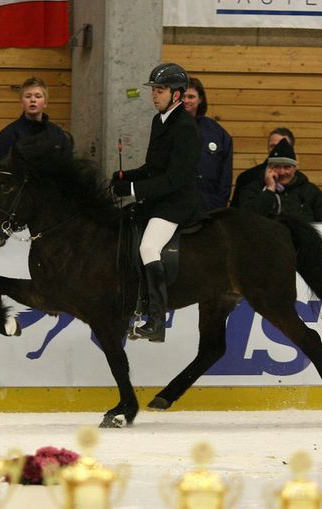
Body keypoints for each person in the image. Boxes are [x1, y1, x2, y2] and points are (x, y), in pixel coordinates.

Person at [111, 63, 203, 343]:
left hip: (177, 202)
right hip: (159, 197)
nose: (155, 95)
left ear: (176, 95)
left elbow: (175, 178)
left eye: (160, 90)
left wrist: (134, 188)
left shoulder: (186, 128)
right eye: (154, 90)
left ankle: (156, 318)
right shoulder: (159, 121)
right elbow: (154, 167)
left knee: (149, 246)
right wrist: (125, 176)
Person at [0, 76, 72, 186]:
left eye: (38, 96)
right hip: (18, 198)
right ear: (21, 103)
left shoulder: (57, 135)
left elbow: (68, 174)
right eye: (28, 96)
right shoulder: (7, 135)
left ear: (45, 103)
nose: (33, 100)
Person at [237, 138, 322, 222]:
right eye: (277, 167)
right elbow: (247, 219)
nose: (282, 172)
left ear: (295, 168)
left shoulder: (311, 192)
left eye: (287, 167)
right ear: (268, 168)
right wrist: (269, 190)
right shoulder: (252, 190)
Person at [182, 77, 233, 210]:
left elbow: (226, 174)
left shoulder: (218, 133)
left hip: (210, 205)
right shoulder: (167, 129)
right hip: (178, 205)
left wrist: (220, 202)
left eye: (191, 96)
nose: (186, 100)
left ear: (200, 99)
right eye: (183, 96)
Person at [230, 127, 295, 207]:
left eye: (283, 146)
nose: (278, 149)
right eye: (273, 146)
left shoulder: (300, 181)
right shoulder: (248, 178)